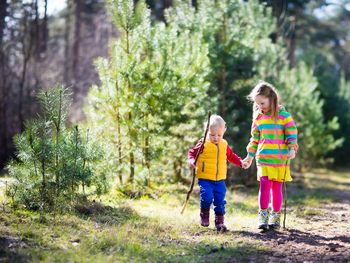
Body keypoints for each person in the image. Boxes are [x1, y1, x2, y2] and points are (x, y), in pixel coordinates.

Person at [242, 81, 298, 230]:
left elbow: (292, 133)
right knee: (265, 186)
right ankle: (263, 216)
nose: (260, 106)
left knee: (276, 189)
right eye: (257, 104)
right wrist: (249, 156)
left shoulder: (284, 116)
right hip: (264, 159)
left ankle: (275, 217)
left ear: (271, 98)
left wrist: (292, 148)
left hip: (280, 160)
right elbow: (254, 140)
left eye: (262, 102)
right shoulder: (258, 118)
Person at [188, 114, 242, 231]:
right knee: (207, 196)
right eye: (212, 135)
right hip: (205, 177)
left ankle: (220, 222)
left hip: (220, 179)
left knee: (220, 201)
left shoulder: (224, 144)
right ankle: (204, 214)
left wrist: (241, 163)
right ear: (206, 131)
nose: (216, 138)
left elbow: (231, 156)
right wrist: (192, 161)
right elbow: (192, 153)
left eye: (219, 135)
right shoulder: (203, 143)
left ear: (224, 131)